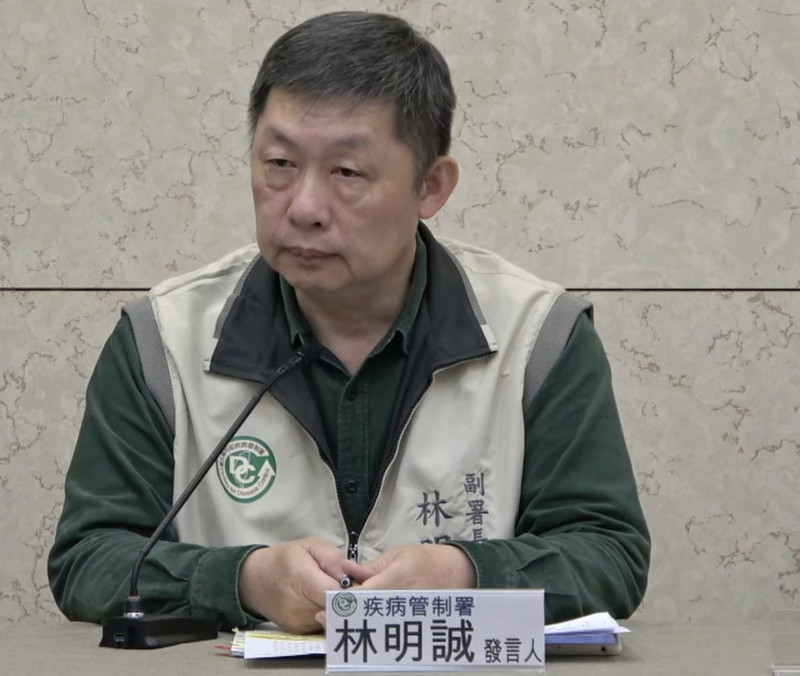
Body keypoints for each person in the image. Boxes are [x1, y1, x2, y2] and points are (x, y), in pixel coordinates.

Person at [48, 11, 650, 635]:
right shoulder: (163, 340)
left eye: (347, 172)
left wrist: (468, 575)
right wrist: (244, 580)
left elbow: (608, 554)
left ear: (431, 186)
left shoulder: (537, 336)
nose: (305, 207)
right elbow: (89, 559)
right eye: (279, 163)